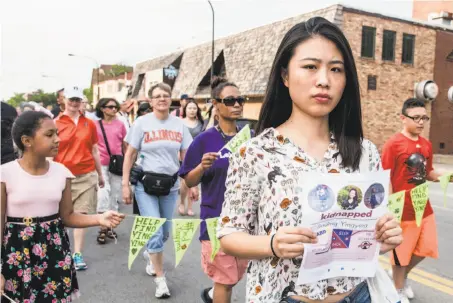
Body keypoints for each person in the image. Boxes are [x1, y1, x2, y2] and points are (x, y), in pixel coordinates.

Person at [217, 17, 403, 303]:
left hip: (358, 295)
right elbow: (229, 235)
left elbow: (372, 241)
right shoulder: (254, 153)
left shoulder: (365, 152)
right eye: (310, 66)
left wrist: (385, 237)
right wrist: (272, 243)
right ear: (285, 76)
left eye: (336, 69)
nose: (324, 80)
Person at [0, 111, 125, 302]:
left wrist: (99, 218)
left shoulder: (62, 173)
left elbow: (67, 216)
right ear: (27, 141)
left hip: (54, 250)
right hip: (16, 253)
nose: (58, 139)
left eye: (57, 133)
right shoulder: (5, 174)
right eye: (49, 135)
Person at [122, 83, 195, 299]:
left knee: (164, 233)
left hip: (170, 186)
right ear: (151, 101)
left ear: (170, 99)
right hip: (145, 185)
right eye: (157, 96)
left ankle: (150, 253)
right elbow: (130, 154)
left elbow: (186, 157)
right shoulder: (141, 123)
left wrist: (192, 184)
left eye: (165, 95)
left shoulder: (179, 125)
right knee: (154, 230)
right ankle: (160, 279)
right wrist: (125, 183)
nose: (162, 99)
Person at [180, 77, 249, 303]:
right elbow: (189, 181)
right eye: (230, 100)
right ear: (215, 105)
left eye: (240, 99)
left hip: (246, 220)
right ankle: (216, 293)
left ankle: (211, 294)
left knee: (235, 275)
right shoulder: (203, 140)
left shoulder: (249, 137)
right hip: (216, 219)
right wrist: (202, 166)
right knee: (226, 280)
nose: (237, 104)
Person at [382, 98, 452, 303]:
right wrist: (389, 208)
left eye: (424, 118)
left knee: (425, 249)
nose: (421, 122)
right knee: (400, 254)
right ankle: (396, 291)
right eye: (416, 118)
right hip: (401, 207)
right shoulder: (393, 144)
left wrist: (447, 176)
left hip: (423, 206)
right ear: (403, 118)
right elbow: (385, 176)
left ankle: (401, 278)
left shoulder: (426, 144)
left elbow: (428, 172)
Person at [54, 85, 105, 271]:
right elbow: (51, 151)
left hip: (86, 174)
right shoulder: (55, 123)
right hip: (62, 176)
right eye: (71, 99)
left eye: (78, 99)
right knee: (62, 216)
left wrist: (100, 174)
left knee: (81, 214)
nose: (74, 103)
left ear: (82, 101)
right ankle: (61, 252)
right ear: (64, 100)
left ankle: (77, 254)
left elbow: (94, 150)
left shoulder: (89, 123)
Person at [94, 98, 127, 244]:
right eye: (111, 107)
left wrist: (127, 164)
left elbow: (125, 145)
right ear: (102, 108)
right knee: (103, 195)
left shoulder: (120, 125)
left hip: (117, 164)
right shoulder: (95, 125)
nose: (114, 109)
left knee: (114, 196)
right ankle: (102, 228)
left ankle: (110, 226)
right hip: (100, 164)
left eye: (116, 107)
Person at [178, 100, 204, 216]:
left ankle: (190, 206)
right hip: (183, 155)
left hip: (197, 156)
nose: (192, 110)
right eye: (190, 108)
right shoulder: (180, 123)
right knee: (184, 182)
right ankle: (182, 202)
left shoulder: (201, 123)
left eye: (194, 108)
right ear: (185, 110)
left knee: (193, 182)